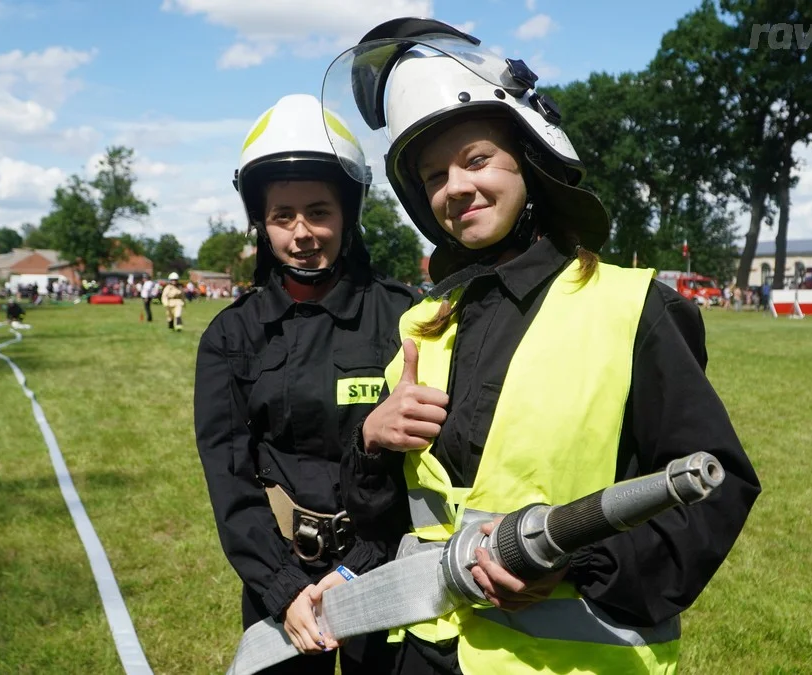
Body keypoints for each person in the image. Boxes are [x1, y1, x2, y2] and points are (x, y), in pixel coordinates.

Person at [322, 19, 761, 675]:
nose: (456, 187)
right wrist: (371, 444)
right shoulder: (425, 324)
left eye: (476, 160)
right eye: (435, 175)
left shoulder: (633, 308)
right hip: (414, 655)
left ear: (529, 159)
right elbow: (391, 519)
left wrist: (573, 563)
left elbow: (713, 487)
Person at [193, 94, 418, 674]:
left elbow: (423, 470)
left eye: (318, 211)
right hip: (282, 587)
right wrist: (283, 585)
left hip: (386, 570)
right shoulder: (231, 337)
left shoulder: (403, 317)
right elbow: (230, 479)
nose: (302, 233)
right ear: (261, 223)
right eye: (282, 216)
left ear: (347, 213)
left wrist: (360, 565)